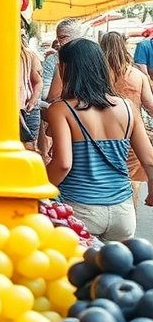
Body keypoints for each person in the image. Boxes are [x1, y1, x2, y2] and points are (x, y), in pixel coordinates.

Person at [46, 39, 153, 241]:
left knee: (77, 271)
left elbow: (62, 164)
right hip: (123, 212)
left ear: (65, 68)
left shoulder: (61, 109)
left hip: (80, 210)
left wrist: (41, 188)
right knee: (116, 270)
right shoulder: (128, 107)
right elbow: (149, 159)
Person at [100, 31, 153, 207]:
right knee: (131, 179)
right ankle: (127, 218)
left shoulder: (97, 74)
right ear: (124, 48)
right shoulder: (138, 76)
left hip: (100, 133)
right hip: (132, 135)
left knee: (103, 176)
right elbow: (151, 106)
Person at [19, 32, 43, 150]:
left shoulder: (28, 55)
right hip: (8, 111)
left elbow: (38, 81)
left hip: (27, 109)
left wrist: (32, 102)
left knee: (29, 147)